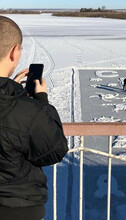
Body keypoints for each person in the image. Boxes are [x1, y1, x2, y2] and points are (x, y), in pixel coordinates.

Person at [0, 16, 68, 220]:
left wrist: (8, 89)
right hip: (18, 208)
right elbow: (54, 150)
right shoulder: (27, 111)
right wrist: (40, 101)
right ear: (15, 52)